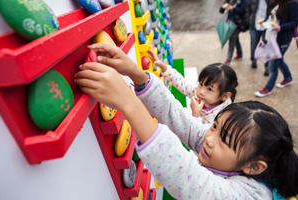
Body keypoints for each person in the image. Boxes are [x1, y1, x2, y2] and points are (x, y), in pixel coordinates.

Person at [75, 43, 298, 199]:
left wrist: (128, 103)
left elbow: (190, 180)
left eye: (225, 140)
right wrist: (137, 75)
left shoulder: (250, 195)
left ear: (254, 167)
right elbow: (179, 118)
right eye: (214, 127)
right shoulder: (221, 147)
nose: (209, 139)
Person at [147, 49, 238, 125]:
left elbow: (200, 136)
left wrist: (196, 114)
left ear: (224, 96)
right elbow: (183, 84)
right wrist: (164, 68)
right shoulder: (202, 95)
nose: (201, 91)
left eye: (210, 89)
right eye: (201, 84)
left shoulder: (221, 117)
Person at [255, 0, 298, 97]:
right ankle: (288, 78)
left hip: (282, 40)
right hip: (271, 38)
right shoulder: (274, 2)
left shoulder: (291, 4)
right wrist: (265, 20)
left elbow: (295, 22)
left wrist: (279, 28)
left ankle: (268, 88)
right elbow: (272, 17)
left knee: (273, 66)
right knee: (279, 60)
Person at [246, 0, 271, 75]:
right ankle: (254, 59)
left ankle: (267, 67)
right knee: (254, 43)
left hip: (267, 25)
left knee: (267, 46)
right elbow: (248, 9)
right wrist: (249, 20)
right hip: (254, 24)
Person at [219, 0, 247, 66]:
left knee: (232, 40)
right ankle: (239, 54)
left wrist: (233, 8)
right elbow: (221, 10)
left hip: (238, 24)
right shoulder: (229, 0)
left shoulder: (243, 1)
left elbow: (243, 11)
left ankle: (228, 59)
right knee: (235, 39)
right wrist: (223, 7)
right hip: (229, 23)